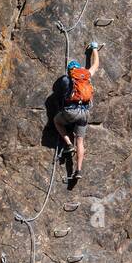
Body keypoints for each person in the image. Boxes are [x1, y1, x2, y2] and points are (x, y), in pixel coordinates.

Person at [54, 44, 99, 183]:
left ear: (69, 71)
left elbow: (60, 94)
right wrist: (94, 49)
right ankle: (78, 170)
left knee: (57, 121)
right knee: (80, 141)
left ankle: (68, 144)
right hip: (84, 113)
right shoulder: (86, 77)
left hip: (71, 111)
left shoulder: (66, 79)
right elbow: (96, 65)